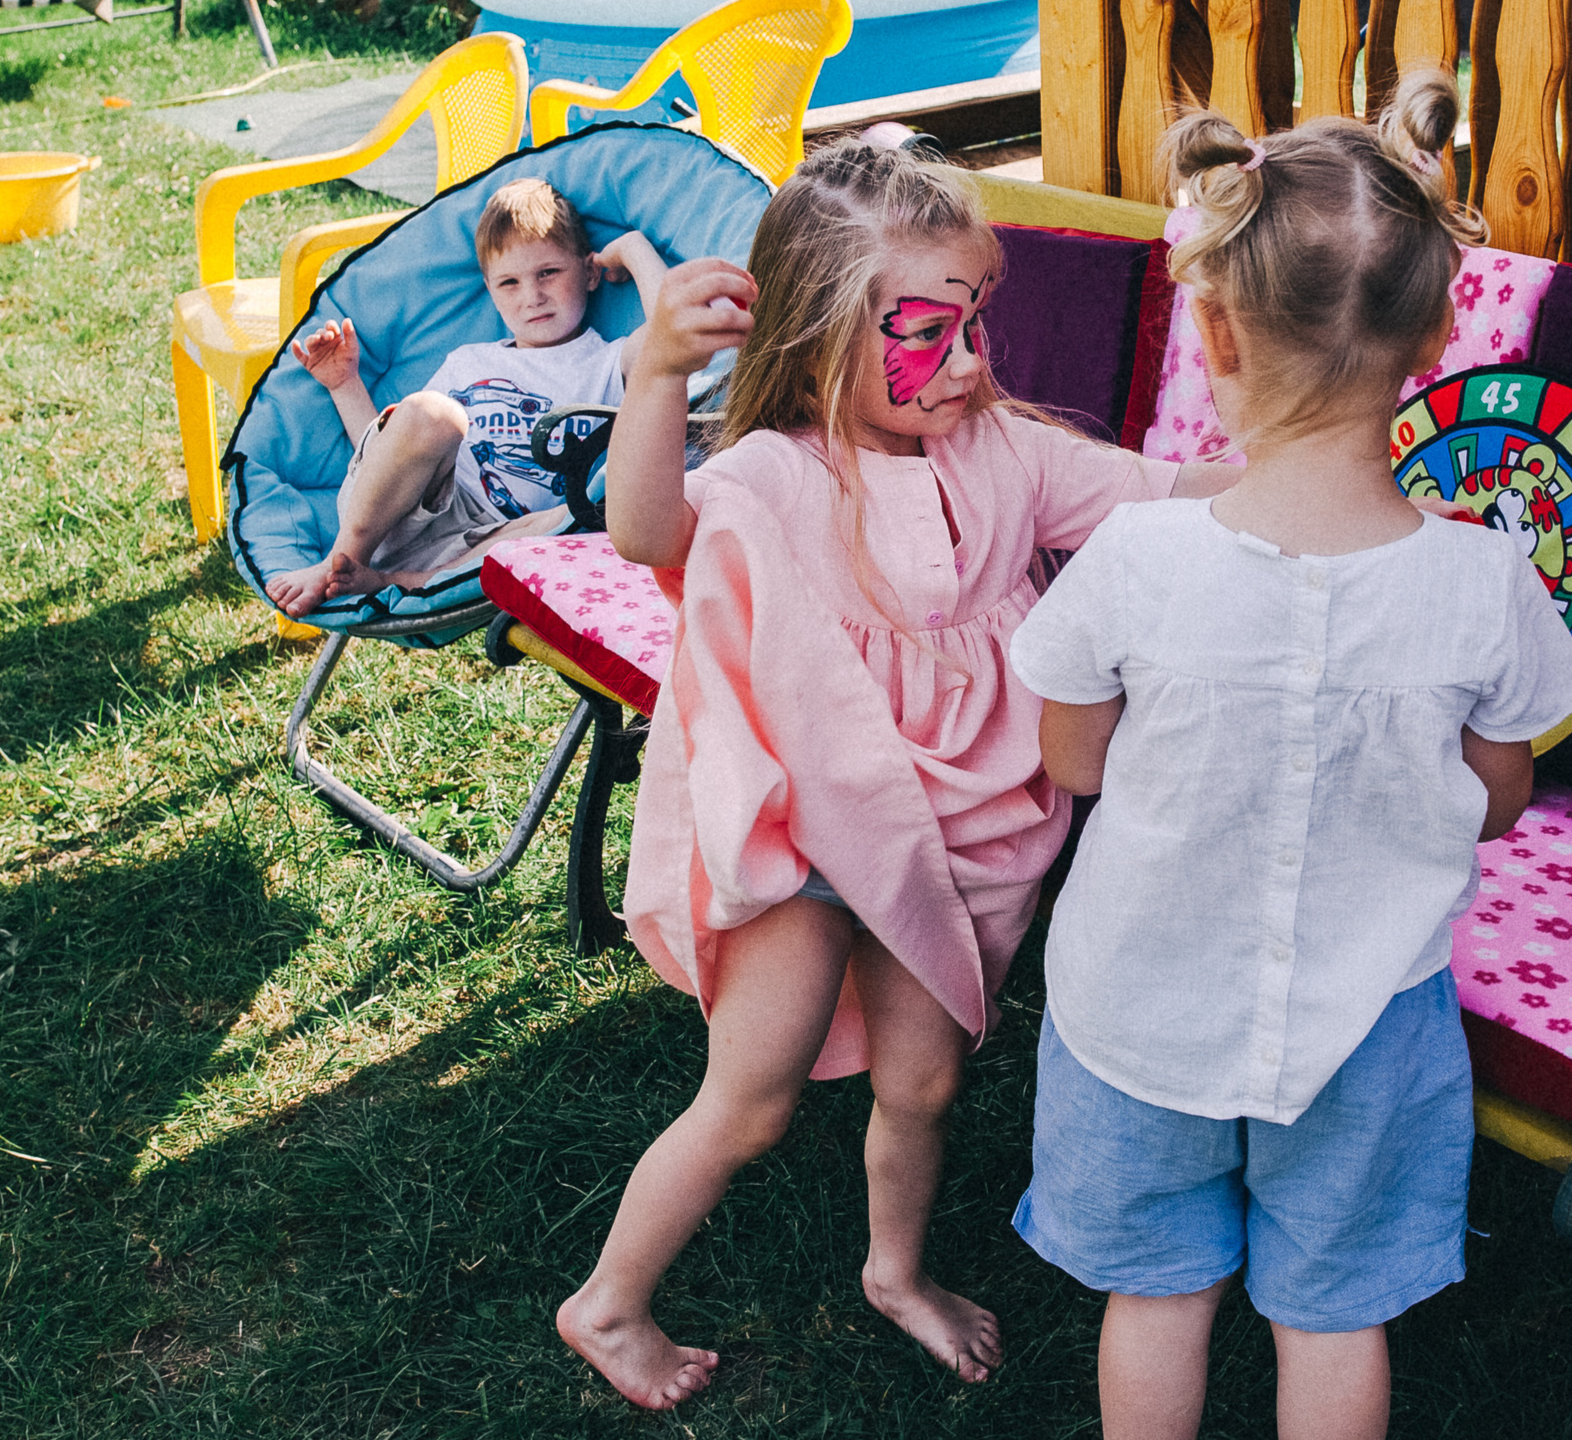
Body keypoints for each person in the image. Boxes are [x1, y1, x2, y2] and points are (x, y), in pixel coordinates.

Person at [557, 139, 1240, 1411]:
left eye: (978, 320)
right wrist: (656, 372)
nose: (974, 361)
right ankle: (607, 1302)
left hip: (956, 831)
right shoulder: (773, 473)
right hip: (811, 824)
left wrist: (1311, 472)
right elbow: (648, 533)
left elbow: (1169, 495)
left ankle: (895, 1272)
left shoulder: (1011, 453)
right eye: (931, 331)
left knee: (924, 1081)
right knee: (752, 1098)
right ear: (820, 332)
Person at [1007, 69, 1572, 1440]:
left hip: (1135, 1007)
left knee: (1157, 1296)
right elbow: (1498, 802)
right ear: (1442, 331)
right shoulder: (1486, 577)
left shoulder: (1136, 557)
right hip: (1369, 1025)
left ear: (1209, 329)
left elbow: (1074, 763)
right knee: (1334, 1315)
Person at [266, 178, 667, 615]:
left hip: (488, 543)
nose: (532, 297)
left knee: (577, 516)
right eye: (509, 283)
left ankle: (389, 583)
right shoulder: (469, 361)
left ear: (589, 272)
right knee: (432, 413)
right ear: (490, 290)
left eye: (548, 273)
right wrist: (345, 384)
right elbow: (398, 450)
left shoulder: (608, 363)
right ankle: (339, 562)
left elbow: (679, 333)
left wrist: (631, 249)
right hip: (407, 512)